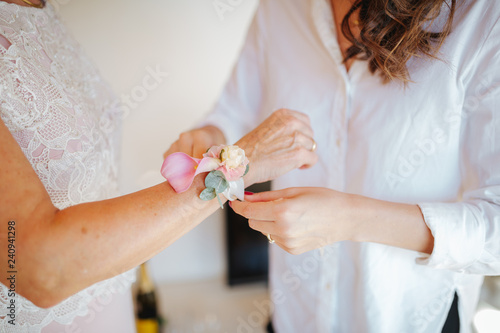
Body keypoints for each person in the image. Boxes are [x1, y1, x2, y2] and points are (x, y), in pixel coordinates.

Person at [168, 0, 500, 332]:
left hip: (410, 314)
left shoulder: (482, 18)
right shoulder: (279, 9)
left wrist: (349, 219)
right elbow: (233, 111)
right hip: (295, 312)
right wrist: (209, 134)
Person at [0, 0, 318, 331]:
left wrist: (211, 137)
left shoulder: (41, 9)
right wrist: (238, 161)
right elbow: (36, 267)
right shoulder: (281, 11)